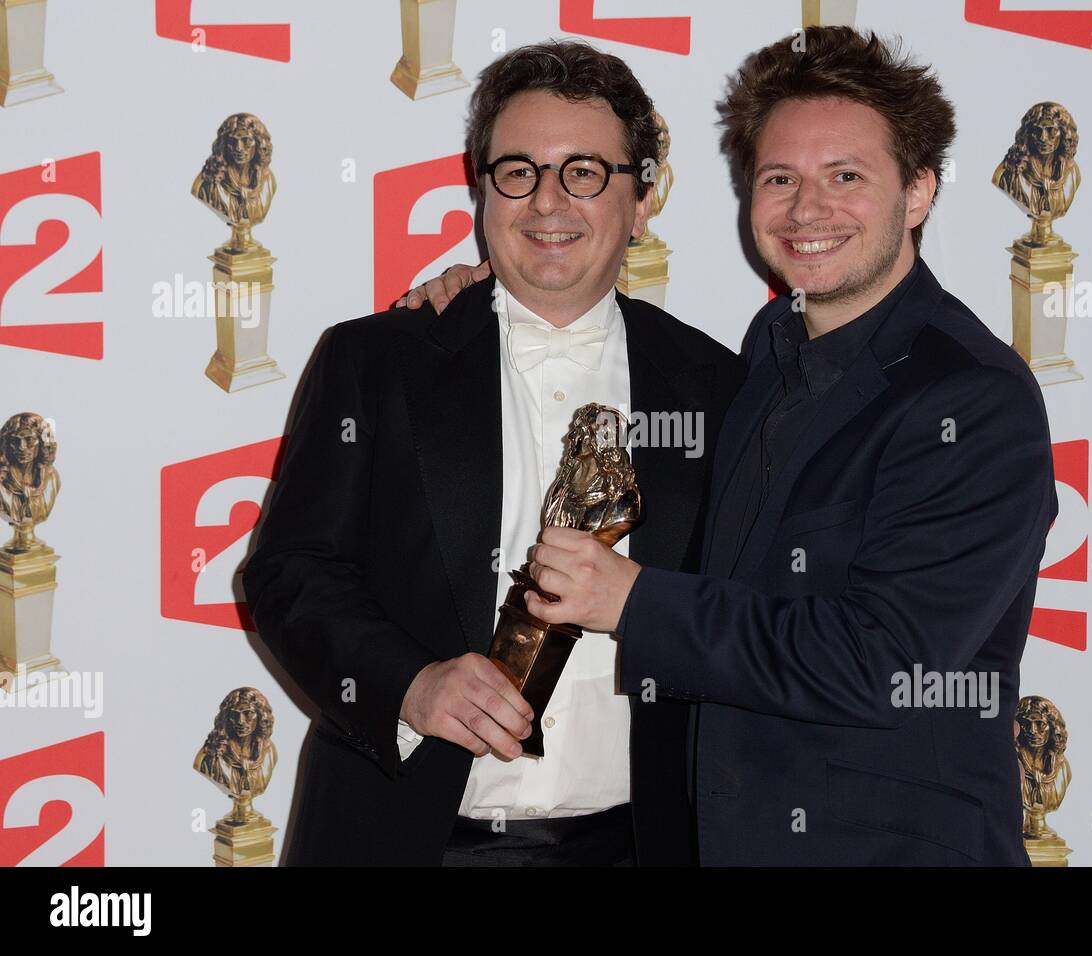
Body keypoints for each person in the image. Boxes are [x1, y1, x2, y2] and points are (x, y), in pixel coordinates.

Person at [404, 26, 1059, 865]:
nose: (807, 209)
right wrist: (489, 292)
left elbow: (884, 663)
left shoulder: (973, 398)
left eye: (846, 177)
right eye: (779, 178)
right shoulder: (764, 351)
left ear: (921, 190)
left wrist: (632, 601)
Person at [242, 40, 744, 866]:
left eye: (585, 171)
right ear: (482, 187)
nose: (549, 201)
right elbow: (289, 574)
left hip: (643, 843)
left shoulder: (718, 387)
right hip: (404, 840)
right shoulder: (375, 360)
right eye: (519, 171)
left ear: (642, 197)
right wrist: (411, 684)